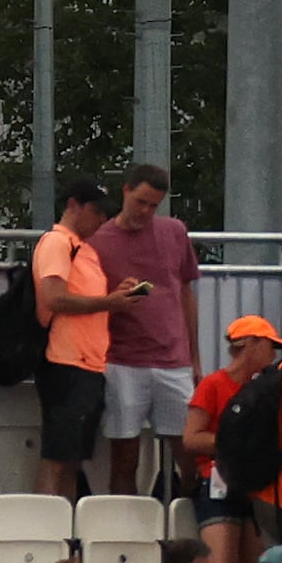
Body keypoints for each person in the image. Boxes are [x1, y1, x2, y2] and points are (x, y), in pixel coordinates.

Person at [89, 166, 202, 498]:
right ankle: (124, 530)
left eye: (154, 205)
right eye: (141, 202)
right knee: (125, 458)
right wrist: (112, 298)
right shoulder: (98, 241)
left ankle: (188, 519)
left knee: (191, 451)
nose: (146, 212)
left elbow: (184, 293)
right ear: (125, 191)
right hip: (123, 359)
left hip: (173, 359)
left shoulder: (174, 232)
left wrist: (194, 357)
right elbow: (89, 300)